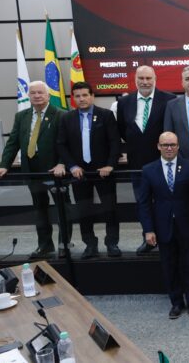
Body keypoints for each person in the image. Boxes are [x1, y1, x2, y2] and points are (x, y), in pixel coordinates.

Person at [0, 81, 69, 259]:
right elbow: (13, 142)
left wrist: (62, 163)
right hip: (32, 170)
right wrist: (4, 164)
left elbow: (67, 144)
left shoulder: (61, 115)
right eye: (33, 93)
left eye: (40, 92)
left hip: (55, 170)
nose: (37, 95)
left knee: (63, 209)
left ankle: (64, 244)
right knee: (40, 209)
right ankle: (44, 245)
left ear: (48, 95)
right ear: (28, 96)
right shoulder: (21, 116)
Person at [137, 132, 189, 319]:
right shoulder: (149, 170)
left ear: (178, 146)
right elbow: (144, 203)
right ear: (158, 146)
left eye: (172, 144)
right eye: (165, 145)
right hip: (162, 227)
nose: (169, 148)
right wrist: (148, 229)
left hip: (187, 225)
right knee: (169, 266)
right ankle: (176, 303)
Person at [116, 65, 177, 256]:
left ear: (155, 79)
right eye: (141, 78)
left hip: (163, 161)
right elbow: (121, 131)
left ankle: (168, 238)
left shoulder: (169, 99)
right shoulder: (124, 102)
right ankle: (148, 239)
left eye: (148, 78)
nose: (145, 82)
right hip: (137, 164)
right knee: (143, 202)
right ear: (135, 80)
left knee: (165, 201)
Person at [56, 81, 121, 259]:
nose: (82, 99)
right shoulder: (66, 118)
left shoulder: (106, 115)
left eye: (85, 95)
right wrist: (72, 166)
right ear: (73, 99)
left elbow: (114, 142)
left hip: (103, 172)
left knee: (110, 209)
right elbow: (61, 145)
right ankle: (90, 245)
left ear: (92, 96)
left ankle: (112, 243)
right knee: (84, 211)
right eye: (77, 96)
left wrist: (110, 165)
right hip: (79, 174)